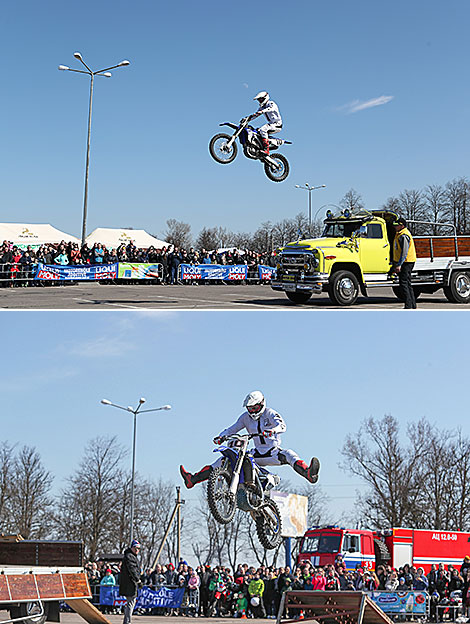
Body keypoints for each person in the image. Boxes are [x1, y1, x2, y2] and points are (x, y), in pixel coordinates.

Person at [180, 390, 320, 489]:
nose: (253, 411)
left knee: (289, 454)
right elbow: (233, 428)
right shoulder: (245, 418)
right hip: (256, 453)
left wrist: (272, 430)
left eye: (255, 408)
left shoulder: (269, 413)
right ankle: (192, 479)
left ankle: (308, 473)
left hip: (272, 453)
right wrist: (221, 436)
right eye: (250, 409)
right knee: (225, 460)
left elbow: (282, 425)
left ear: (262, 404)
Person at [391, 216, 417, 309]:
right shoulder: (399, 233)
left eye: (396, 225)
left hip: (406, 262)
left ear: (401, 226)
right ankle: (412, 305)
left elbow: (404, 252)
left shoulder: (404, 235)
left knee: (404, 283)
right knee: (407, 283)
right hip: (406, 262)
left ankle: (408, 305)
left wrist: (399, 265)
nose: (395, 227)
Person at [119, 539, 142, 624]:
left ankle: (127, 621)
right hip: (130, 584)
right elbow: (132, 570)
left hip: (130, 583)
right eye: (135, 548)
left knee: (130, 603)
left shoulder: (130, 556)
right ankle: (127, 622)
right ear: (132, 547)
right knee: (130, 603)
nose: (137, 550)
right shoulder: (129, 557)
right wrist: (138, 580)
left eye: (138, 548)